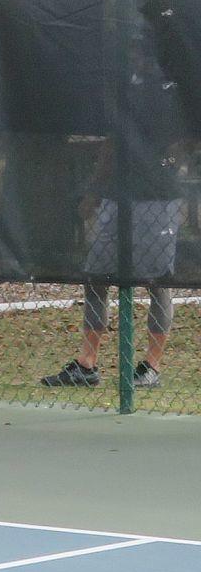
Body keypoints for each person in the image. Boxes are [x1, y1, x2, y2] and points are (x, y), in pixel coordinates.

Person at [41, 132, 182, 390]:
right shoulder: (117, 109)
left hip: (158, 201)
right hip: (115, 200)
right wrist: (94, 193)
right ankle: (86, 365)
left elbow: (185, 142)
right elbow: (110, 146)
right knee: (95, 279)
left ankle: (151, 367)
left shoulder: (172, 107)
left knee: (158, 282)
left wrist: (171, 161)